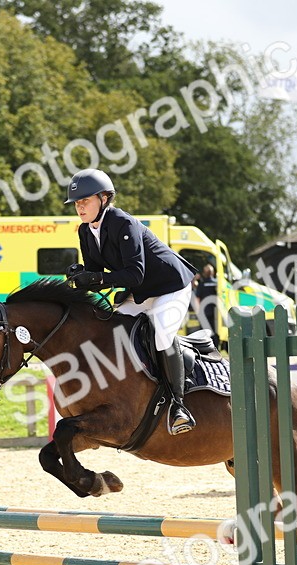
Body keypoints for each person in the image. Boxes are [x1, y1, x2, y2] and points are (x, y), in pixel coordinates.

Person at [64, 168, 198, 435]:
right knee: (112, 331)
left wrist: (96, 279)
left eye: (85, 201)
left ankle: (178, 406)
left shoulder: (122, 223)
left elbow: (135, 273)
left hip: (170, 287)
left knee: (161, 335)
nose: (80, 207)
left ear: (104, 198)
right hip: (140, 293)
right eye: (77, 203)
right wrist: (81, 275)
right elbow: (96, 270)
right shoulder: (85, 231)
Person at [193, 264, 220, 347]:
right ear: (213, 273)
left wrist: (197, 310)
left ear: (204, 273)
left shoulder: (202, 284)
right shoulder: (217, 283)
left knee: (204, 330)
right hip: (216, 311)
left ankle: (205, 347)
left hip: (204, 311)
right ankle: (215, 347)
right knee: (215, 329)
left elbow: (197, 298)